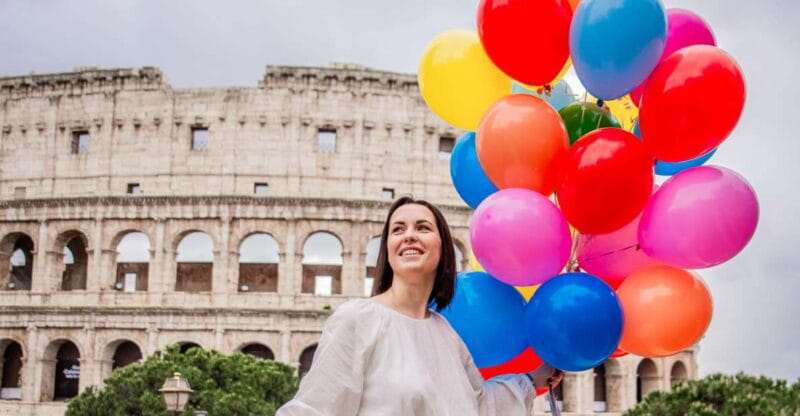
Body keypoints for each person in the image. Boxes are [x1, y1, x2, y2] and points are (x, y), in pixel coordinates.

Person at [277, 196, 563, 415]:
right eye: (397, 230)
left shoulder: (446, 335)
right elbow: (315, 408)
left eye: (423, 227)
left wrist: (530, 380)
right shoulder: (357, 320)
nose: (409, 235)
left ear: (443, 250)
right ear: (388, 251)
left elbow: (479, 406)